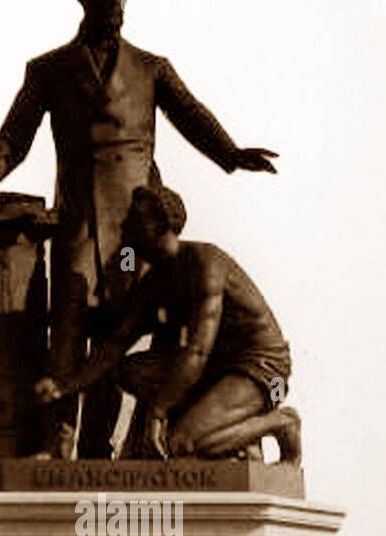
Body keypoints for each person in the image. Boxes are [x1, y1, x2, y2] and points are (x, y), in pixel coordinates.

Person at [0, 0, 278, 458]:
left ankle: (95, 450)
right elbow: (13, 138)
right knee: (68, 330)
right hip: (79, 227)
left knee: (117, 330)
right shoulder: (49, 70)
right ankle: (57, 447)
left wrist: (231, 153)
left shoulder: (151, 68)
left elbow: (190, 113)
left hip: (133, 234)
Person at [35, 186, 301, 463]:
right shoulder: (155, 281)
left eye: (134, 220)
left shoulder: (204, 263)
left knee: (182, 443)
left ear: (159, 224)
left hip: (258, 366)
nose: (125, 227)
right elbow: (116, 344)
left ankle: (281, 422)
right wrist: (65, 386)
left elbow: (198, 351)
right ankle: (226, 429)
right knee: (129, 372)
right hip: (213, 368)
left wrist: (158, 411)